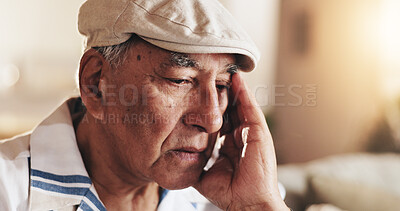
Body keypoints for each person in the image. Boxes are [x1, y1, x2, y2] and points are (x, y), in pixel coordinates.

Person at [0, 0, 290, 210]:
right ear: (96, 83)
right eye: (181, 80)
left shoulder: (230, 196)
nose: (213, 119)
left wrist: (256, 207)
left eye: (222, 85)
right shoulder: (7, 191)